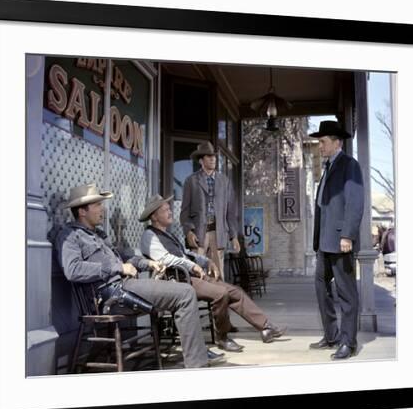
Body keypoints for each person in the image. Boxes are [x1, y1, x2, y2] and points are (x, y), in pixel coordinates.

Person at [54, 183, 224, 368]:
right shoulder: (69, 236)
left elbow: (125, 256)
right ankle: (197, 365)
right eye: (97, 205)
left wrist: (148, 263)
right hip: (110, 297)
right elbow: (73, 270)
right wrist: (117, 268)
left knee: (184, 291)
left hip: (124, 288)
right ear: (82, 211)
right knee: (185, 294)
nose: (102, 209)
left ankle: (196, 355)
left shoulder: (99, 235)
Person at [140, 194, 287, 352]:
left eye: (169, 209)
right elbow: (166, 259)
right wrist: (193, 267)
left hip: (190, 276)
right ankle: (222, 338)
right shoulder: (149, 236)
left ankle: (266, 327)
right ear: (154, 216)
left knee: (235, 291)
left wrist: (206, 261)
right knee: (220, 294)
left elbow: (186, 255)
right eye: (166, 210)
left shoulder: (167, 234)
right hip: (176, 282)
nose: (170, 212)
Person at [309, 121, 364, 360]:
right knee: (321, 287)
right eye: (319, 141)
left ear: (336, 142)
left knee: (346, 293)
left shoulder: (349, 165)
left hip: (340, 240)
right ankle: (331, 335)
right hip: (324, 242)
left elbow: (355, 201)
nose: (319, 146)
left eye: (323, 141)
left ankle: (348, 342)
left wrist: (347, 235)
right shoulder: (329, 166)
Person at [180, 141, 239, 280]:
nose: (213, 159)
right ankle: (200, 300)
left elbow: (230, 213)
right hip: (199, 232)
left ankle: (220, 299)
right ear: (201, 160)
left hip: (218, 231)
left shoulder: (225, 181)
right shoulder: (191, 181)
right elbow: (184, 211)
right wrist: (188, 231)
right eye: (208, 156)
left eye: (214, 156)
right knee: (198, 270)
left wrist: (234, 236)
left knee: (218, 272)